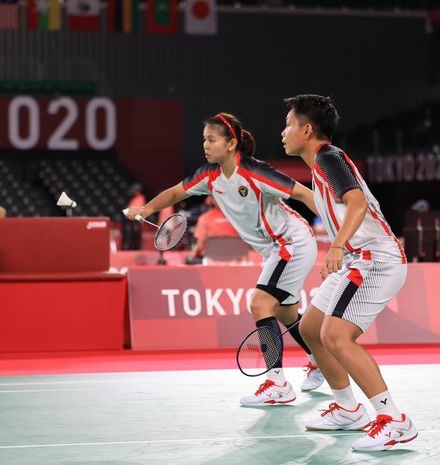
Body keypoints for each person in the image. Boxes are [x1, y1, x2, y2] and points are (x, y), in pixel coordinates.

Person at [124, 112, 325, 402]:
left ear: (231, 144)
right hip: (274, 249)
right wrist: (146, 209)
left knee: (260, 303)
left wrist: (338, 240)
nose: (205, 145)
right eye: (204, 139)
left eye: (212, 139)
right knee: (285, 313)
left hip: (292, 241)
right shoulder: (209, 175)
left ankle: (277, 384)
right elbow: (176, 193)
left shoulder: (255, 171)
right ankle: (318, 361)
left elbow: (305, 194)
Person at [281, 94, 416, 452]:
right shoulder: (318, 166)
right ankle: (346, 408)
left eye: (289, 124)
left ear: (307, 129)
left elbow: (356, 203)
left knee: (337, 336)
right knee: (311, 329)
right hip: (359, 258)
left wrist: (336, 247)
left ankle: (395, 420)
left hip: (377, 259)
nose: (283, 132)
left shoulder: (328, 157)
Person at [189, 196, 242, 263]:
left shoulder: (204, 218)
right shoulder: (239, 217)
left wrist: (192, 255)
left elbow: (200, 245)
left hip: (212, 261)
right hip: (238, 261)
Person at [122, 183, 146, 250]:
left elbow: (139, 210)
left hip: (136, 220)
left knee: (136, 233)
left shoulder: (140, 198)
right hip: (129, 220)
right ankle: (127, 247)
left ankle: (136, 248)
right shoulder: (133, 199)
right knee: (128, 232)